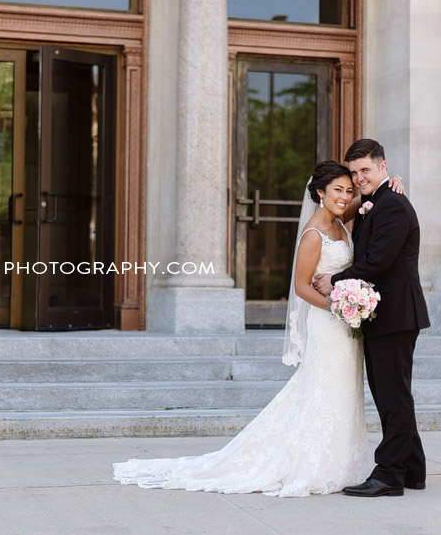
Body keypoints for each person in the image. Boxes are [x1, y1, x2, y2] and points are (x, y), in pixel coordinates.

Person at [113, 161, 369, 497]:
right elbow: (302, 288)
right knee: (321, 389)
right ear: (320, 192)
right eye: (338, 190)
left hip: (345, 328)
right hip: (328, 322)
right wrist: (338, 308)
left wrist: (388, 180)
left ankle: (340, 462)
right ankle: (311, 465)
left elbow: (366, 199)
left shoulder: (340, 220)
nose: (345, 196)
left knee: (343, 390)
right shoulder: (313, 233)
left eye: (349, 191)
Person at [314, 138, 430, 498]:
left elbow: (377, 261)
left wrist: (332, 281)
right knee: (392, 394)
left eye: (366, 170)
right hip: (385, 315)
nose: (359, 177)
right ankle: (413, 469)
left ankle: (389, 475)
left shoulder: (391, 205)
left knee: (392, 396)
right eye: (354, 172)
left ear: (382, 167)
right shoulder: (374, 202)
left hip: (395, 314)